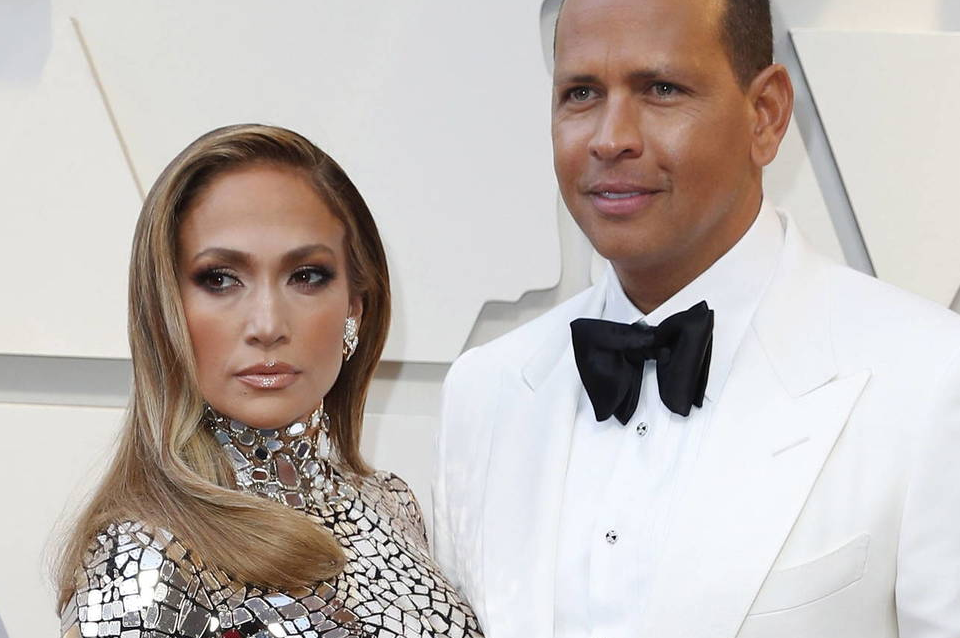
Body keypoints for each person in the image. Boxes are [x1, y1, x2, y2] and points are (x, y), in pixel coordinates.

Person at [432, 0, 960, 636]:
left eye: (661, 89)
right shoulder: (483, 393)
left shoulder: (931, 380)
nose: (610, 138)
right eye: (581, 93)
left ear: (766, 114)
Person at [56, 124, 482, 638]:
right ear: (166, 310)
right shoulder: (140, 560)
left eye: (306, 276)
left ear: (355, 308)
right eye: (220, 279)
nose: (267, 325)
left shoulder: (391, 502)